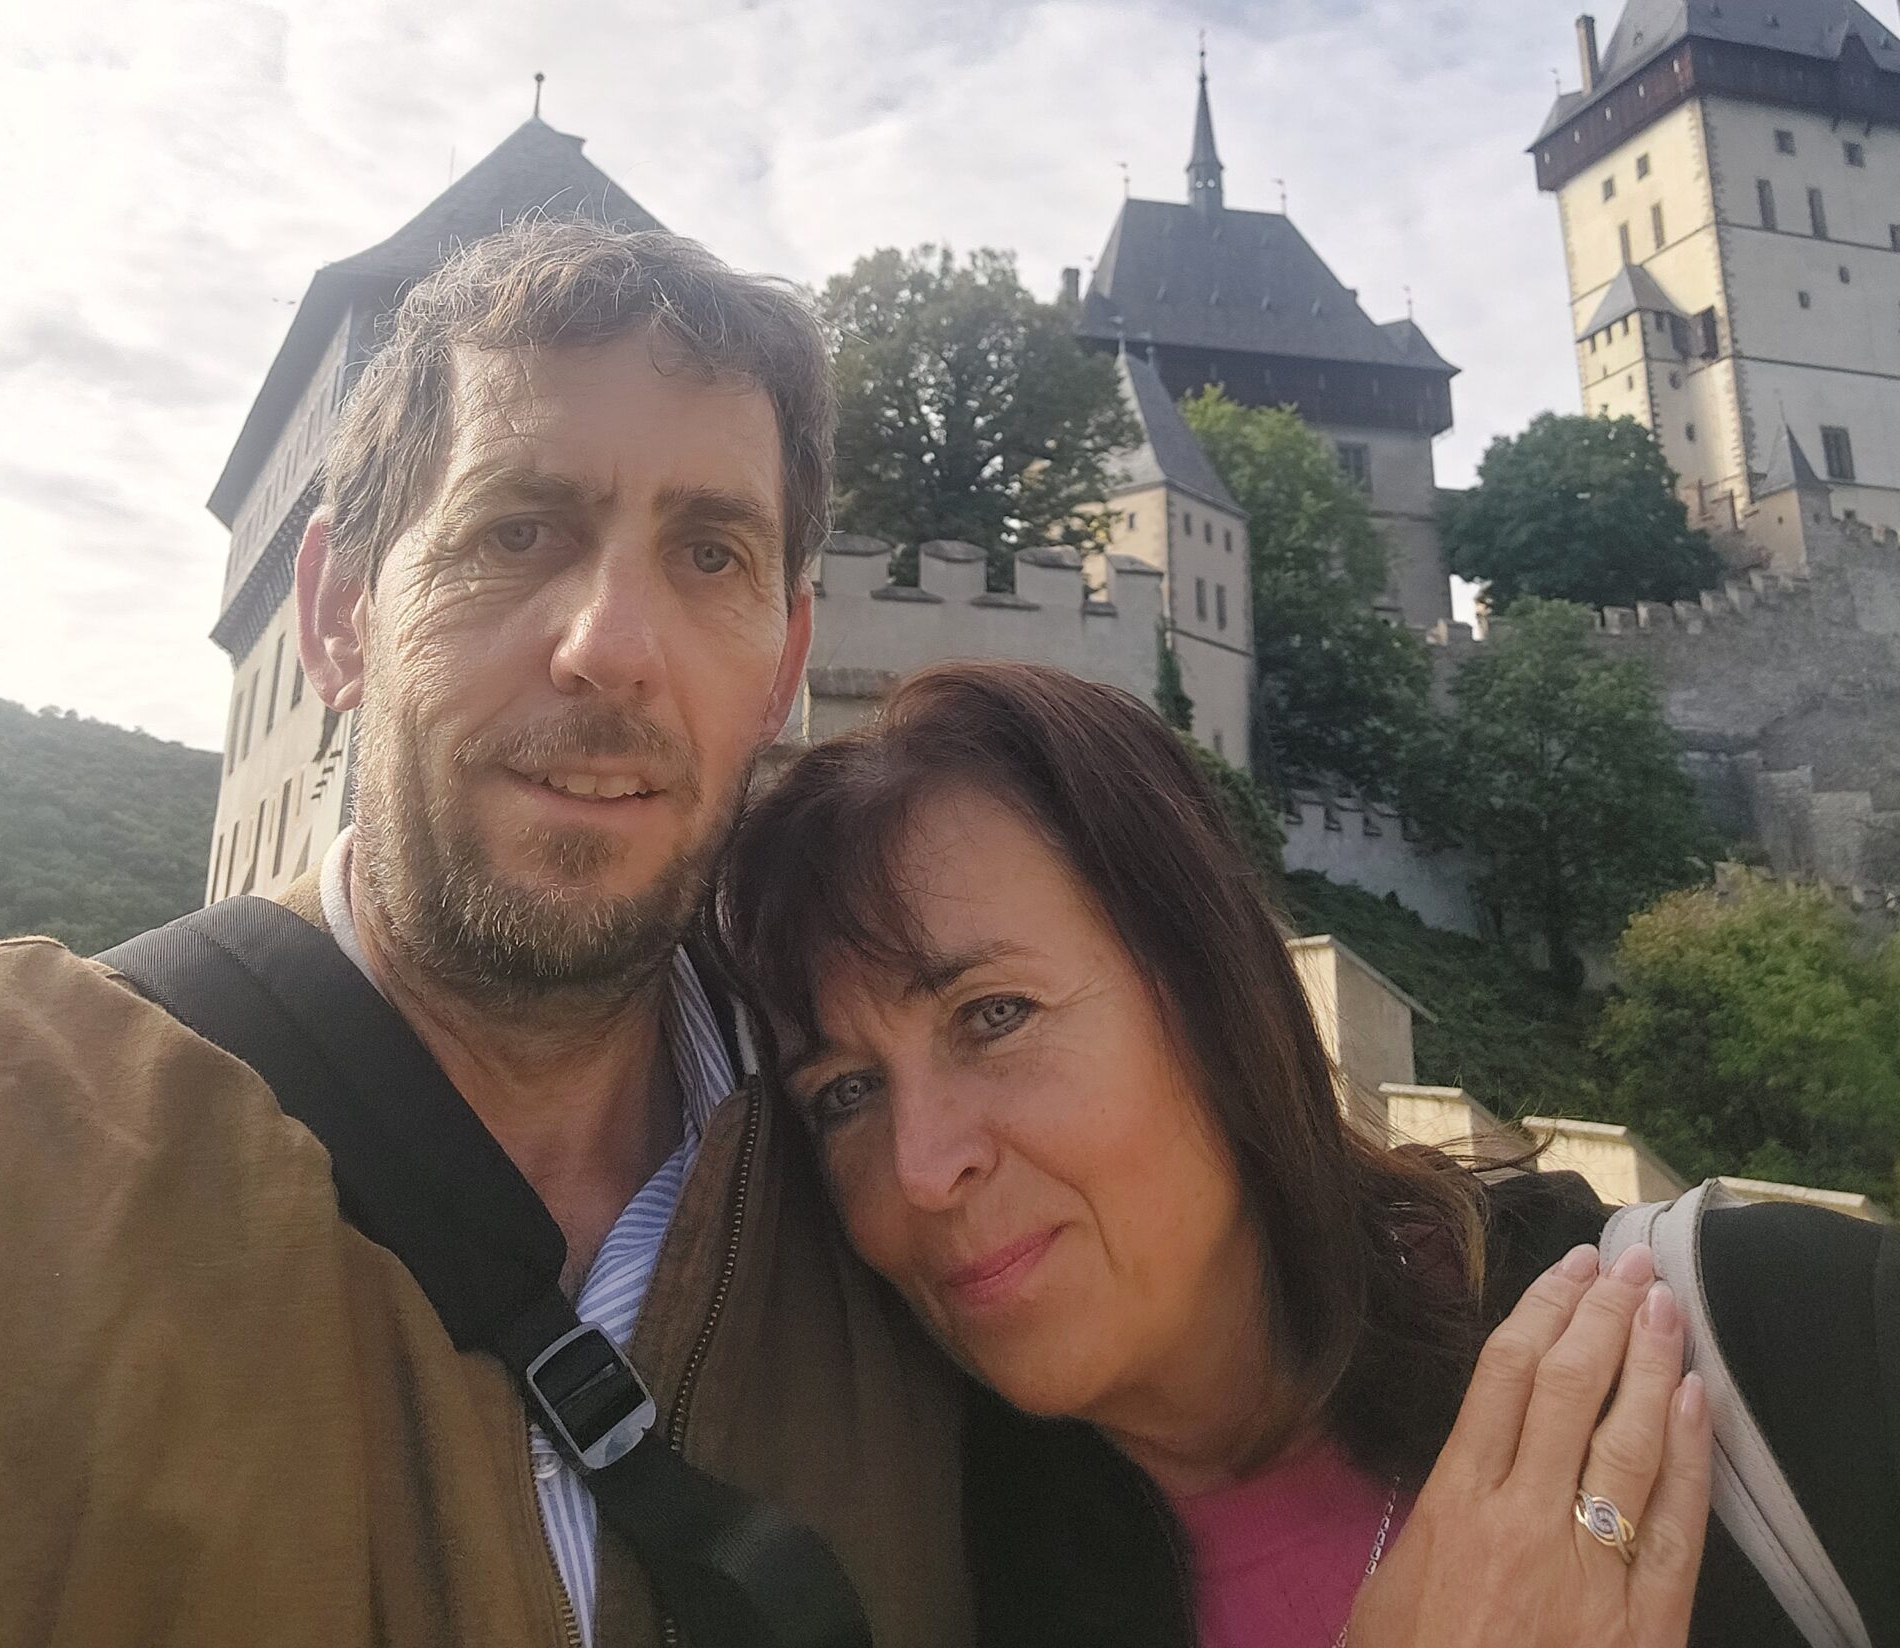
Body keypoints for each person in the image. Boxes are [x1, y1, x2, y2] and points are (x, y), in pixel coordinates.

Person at [0, 222, 971, 1648]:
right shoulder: (30, 1141)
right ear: (340, 614)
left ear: (784, 674)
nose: (613, 646)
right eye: (517, 532)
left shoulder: (918, 1186)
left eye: (710, 554)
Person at [719, 660, 1900, 1648]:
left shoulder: (1783, 1347)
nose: (922, 1169)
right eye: (846, 1092)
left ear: (1215, 996)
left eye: (994, 1014)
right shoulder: (918, 1588)